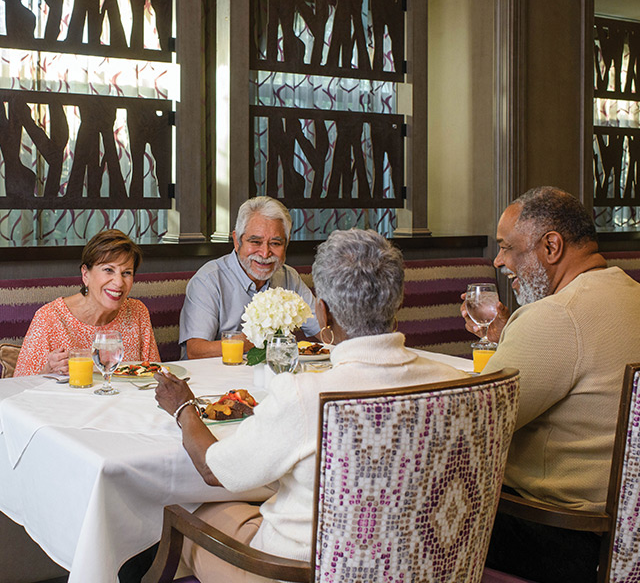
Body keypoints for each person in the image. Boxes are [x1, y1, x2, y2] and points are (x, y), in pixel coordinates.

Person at [155, 229, 468, 582]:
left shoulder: (305, 394)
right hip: (421, 567)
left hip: (296, 572)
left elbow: (216, 472)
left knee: (198, 514)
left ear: (321, 312)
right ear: (399, 302)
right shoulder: (455, 381)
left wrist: (183, 408)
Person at [461, 187, 640, 583]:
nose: (498, 260)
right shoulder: (631, 295)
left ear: (552, 246)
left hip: (566, 536)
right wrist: (513, 333)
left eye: (507, 247)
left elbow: (474, 424)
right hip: (626, 538)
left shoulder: (556, 316)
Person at [179, 196, 320, 359]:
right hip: (216, 378)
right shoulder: (209, 280)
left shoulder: (289, 278)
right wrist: (256, 338)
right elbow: (196, 350)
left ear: (286, 244)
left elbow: (324, 331)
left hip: (273, 377)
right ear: (237, 241)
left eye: (275, 243)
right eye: (255, 242)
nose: (265, 253)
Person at [14, 229, 160, 376]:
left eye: (126, 273)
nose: (119, 282)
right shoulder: (49, 318)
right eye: (108, 270)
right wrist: (47, 372)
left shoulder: (137, 312)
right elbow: (20, 386)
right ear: (85, 274)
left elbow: (156, 374)